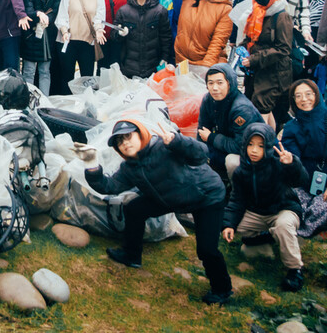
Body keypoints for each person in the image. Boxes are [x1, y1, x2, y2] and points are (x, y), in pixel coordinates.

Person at [74, 120, 233, 305]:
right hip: (170, 198)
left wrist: (177, 141)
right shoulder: (129, 168)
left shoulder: (164, 147)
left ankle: (222, 289)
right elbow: (109, 186)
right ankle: (131, 255)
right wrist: (91, 164)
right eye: (119, 142)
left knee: (206, 249)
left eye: (128, 136)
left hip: (205, 196)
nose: (125, 143)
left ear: (141, 134)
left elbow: (202, 154)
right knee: (133, 209)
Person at [222, 123, 308, 292]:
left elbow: (301, 180)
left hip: (283, 209)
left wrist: (292, 164)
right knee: (232, 225)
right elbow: (237, 200)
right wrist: (229, 224)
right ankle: (267, 237)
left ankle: (294, 269)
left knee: (283, 225)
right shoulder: (241, 171)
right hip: (258, 212)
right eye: (250, 144)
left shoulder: (278, 165)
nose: (254, 150)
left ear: (268, 148)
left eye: (260, 146)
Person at [280, 80, 327, 237]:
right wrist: (290, 163)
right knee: (283, 197)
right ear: (293, 100)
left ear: (317, 95)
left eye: (309, 94)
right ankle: (302, 221)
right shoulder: (291, 127)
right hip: (303, 183)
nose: (304, 99)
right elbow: (295, 164)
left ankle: (299, 228)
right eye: (298, 96)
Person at [231, 0, 293, 129]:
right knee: (259, 106)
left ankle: (259, 143)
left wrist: (254, 59)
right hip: (256, 70)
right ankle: (270, 140)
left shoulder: (281, 15)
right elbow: (252, 39)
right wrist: (242, 47)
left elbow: (283, 48)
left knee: (260, 107)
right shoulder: (256, 14)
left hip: (274, 72)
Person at [197, 64, 262, 179]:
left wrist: (211, 138)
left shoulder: (241, 109)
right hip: (226, 140)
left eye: (220, 82)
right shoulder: (208, 99)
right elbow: (202, 130)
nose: (215, 88)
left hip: (253, 151)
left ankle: (237, 188)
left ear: (229, 83)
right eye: (210, 83)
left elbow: (240, 146)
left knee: (231, 161)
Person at [111, 0, 172, 79]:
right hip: (129, 65)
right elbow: (114, 35)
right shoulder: (124, 11)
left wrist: (165, 56)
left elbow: (165, 36)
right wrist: (119, 33)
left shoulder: (159, 11)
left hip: (152, 64)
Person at [55, 0, 106, 85]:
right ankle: (66, 102)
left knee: (87, 76)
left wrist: (99, 30)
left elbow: (99, 19)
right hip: (68, 41)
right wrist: (64, 31)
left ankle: (85, 101)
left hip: (87, 42)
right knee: (66, 76)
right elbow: (62, 16)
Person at [21, 0, 62, 94]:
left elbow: (56, 11)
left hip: (47, 33)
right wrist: (38, 14)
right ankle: (27, 98)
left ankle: (44, 101)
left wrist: (47, 20)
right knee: (29, 70)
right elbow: (26, 9)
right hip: (30, 33)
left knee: (45, 71)